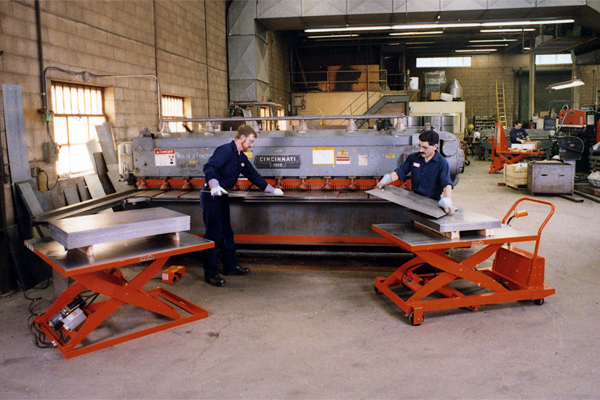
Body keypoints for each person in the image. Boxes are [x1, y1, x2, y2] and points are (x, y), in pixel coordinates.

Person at [201, 124, 283, 287]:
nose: (251, 144)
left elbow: (253, 176)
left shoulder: (240, 157)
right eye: (250, 141)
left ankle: (230, 266)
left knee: (227, 232)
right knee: (213, 235)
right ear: (243, 137)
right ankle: (210, 274)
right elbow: (209, 167)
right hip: (211, 195)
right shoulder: (225, 150)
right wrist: (214, 185)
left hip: (222, 196)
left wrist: (272, 190)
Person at [376, 130, 454, 214]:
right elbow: (400, 172)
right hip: (414, 200)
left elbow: (446, 184)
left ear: (435, 146)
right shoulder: (413, 158)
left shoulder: (442, 163)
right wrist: (386, 180)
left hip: (432, 202)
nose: (421, 150)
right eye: (419, 146)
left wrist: (447, 202)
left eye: (425, 147)